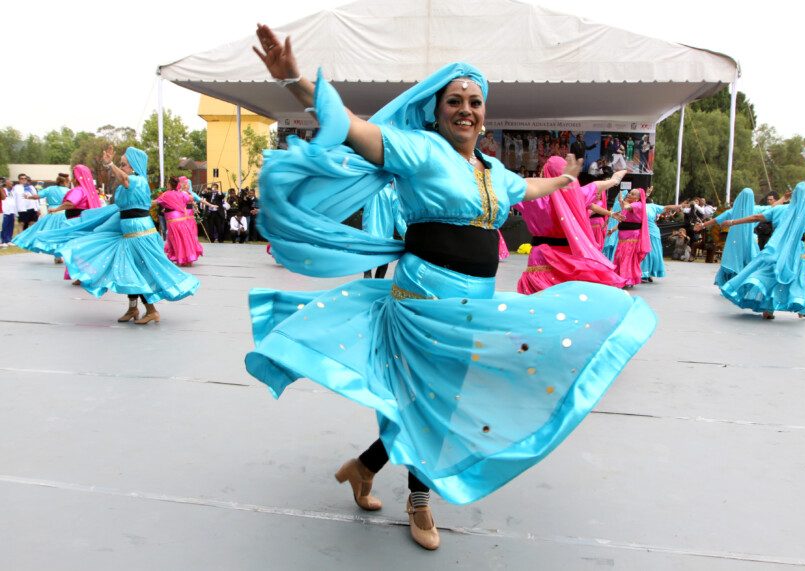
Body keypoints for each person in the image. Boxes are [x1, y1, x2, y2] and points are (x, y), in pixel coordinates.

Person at [247, 27, 656, 551]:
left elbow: (527, 187)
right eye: (455, 101)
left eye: (475, 102)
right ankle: (420, 501)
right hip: (424, 301)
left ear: (485, 111)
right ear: (436, 109)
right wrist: (294, 82)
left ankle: (364, 467)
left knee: (438, 400)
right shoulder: (419, 150)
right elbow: (349, 126)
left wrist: (563, 181)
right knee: (430, 399)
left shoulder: (491, 170)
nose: (467, 110)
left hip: (477, 304)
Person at [39, 147, 200, 324]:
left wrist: (110, 164)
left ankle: (152, 310)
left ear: (134, 166)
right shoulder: (126, 184)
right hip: (127, 230)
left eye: (124, 164)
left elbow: (124, 179)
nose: (121, 167)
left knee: (140, 271)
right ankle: (133, 308)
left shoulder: (138, 181)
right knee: (128, 270)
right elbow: (121, 201)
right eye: (121, 164)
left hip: (140, 233)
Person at [720, 182, 805, 319]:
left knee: (772, 275)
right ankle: (801, 307)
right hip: (796, 253)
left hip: (776, 248)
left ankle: (769, 309)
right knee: (797, 278)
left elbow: (756, 217)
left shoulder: (781, 209)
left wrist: (732, 222)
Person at [515, 156, 626, 292]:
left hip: (541, 257)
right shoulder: (576, 195)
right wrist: (614, 180)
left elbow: (514, 187)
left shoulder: (533, 198)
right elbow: (595, 186)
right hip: (570, 258)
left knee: (539, 303)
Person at [693, 188, 759, 287]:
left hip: (734, 240)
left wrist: (702, 225)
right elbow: (772, 208)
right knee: (748, 258)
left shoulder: (733, 211)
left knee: (733, 260)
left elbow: (716, 220)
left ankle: (731, 284)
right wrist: (783, 199)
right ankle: (745, 283)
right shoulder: (756, 210)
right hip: (748, 240)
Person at [10, 172, 71, 261]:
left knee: (49, 234)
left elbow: (37, 196)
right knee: (64, 235)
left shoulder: (50, 189)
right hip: (63, 215)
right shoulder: (68, 191)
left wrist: (29, 197)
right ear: (66, 182)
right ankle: (61, 255)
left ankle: (57, 256)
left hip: (51, 216)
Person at [155, 176, 202, 266]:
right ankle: (186, 258)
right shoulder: (182, 194)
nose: (166, 185)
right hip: (182, 219)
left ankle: (180, 258)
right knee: (184, 239)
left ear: (169, 184)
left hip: (173, 220)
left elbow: (156, 202)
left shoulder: (166, 194)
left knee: (176, 239)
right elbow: (190, 199)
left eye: (167, 183)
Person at [362, 182, 406, 279]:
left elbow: (365, 211)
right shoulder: (392, 194)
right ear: (391, 182)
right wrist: (405, 234)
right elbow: (398, 218)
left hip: (370, 234)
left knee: (367, 264)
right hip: (386, 236)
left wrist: (364, 229)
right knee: (383, 263)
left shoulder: (371, 192)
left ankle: (367, 283)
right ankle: (378, 285)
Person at [612, 188, 651, 287]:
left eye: (632, 194)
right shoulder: (629, 206)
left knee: (626, 258)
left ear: (638, 198)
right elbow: (623, 220)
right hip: (623, 236)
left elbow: (628, 207)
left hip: (632, 236)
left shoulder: (637, 205)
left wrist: (622, 201)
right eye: (630, 193)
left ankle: (626, 279)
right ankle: (622, 278)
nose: (629, 195)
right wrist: (612, 229)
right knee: (620, 257)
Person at [640, 200, 682, 282]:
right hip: (653, 232)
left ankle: (645, 273)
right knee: (654, 252)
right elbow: (667, 207)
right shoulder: (653, 206)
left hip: (647, 232)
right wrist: (680, 206)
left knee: (647, 252)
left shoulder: (640, 205)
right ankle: (648, 273)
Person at [0, 178, 15, 247]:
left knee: (10, 226)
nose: (12, 183)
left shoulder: (12, 190)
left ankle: (9, 240)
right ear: (6, 183)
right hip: (5, 210)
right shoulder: (3, 189)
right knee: (4, 226)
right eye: (10, 182)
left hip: (12, 210)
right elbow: (4, 198)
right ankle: (3, 240)